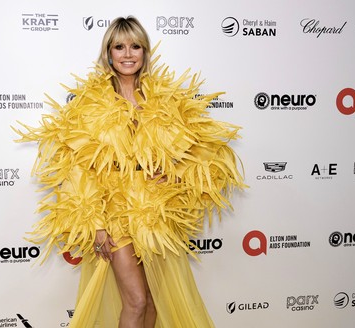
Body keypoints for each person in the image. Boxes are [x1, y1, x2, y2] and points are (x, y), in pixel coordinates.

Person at [14, 16, 244, 328]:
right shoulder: (89, 104)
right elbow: (77, 167)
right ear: (108, 53)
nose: (127, 53)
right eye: (119, 46)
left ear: (145, 52)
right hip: (114, 212)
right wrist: (95, 224)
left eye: (135, 46)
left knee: (152, 302)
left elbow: (205, 150)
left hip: (156, 211)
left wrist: (175, 173)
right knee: (135, 300)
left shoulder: (165, 99)